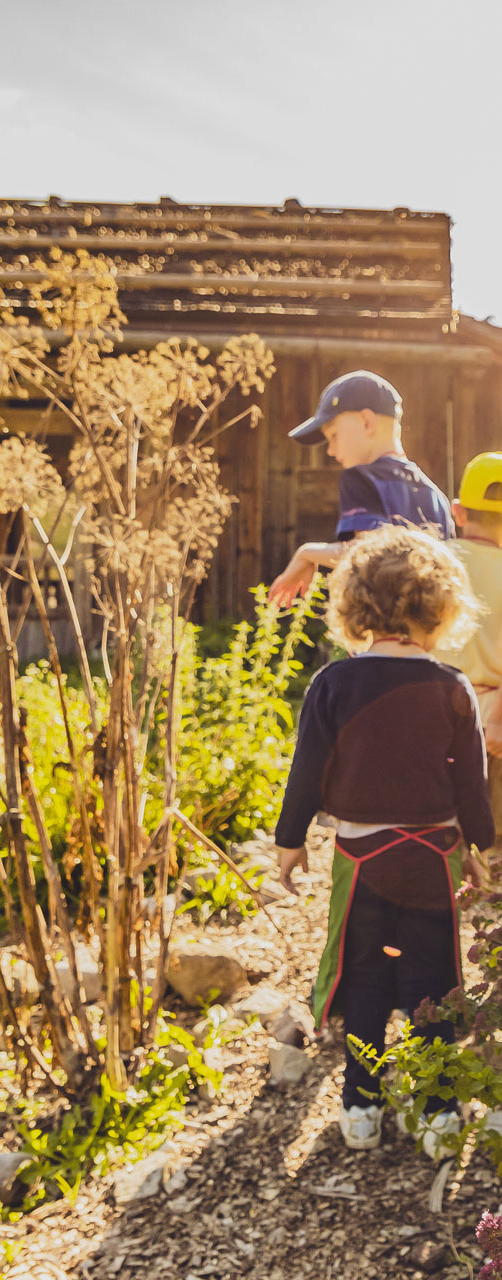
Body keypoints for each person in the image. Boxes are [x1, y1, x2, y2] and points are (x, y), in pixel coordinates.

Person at [275, 525, 494, 1154]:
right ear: (443, 606)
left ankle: (362, 1107)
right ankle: (437, 1113)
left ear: (354, 607)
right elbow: (471, 784)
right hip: (433, 858)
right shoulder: (452, 689)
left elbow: (307, 770)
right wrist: (481, 848)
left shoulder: (334, 685)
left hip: (359, 857)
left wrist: (290, 844)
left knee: (365, 978)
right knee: (435, 984)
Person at [268, 370, 454, 607]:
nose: (330, 451)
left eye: (333, 436)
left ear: (367, 422)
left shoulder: (360, 478)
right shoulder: (436, 494)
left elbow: (368, 554)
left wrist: (306, 553)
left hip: (382, 633)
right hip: (430, 637)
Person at [433, 452, 502, 867]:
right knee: (494, 839)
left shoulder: (432, 562)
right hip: (496, 721)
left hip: (436, 716)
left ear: (457, 512)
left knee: (445, 833)